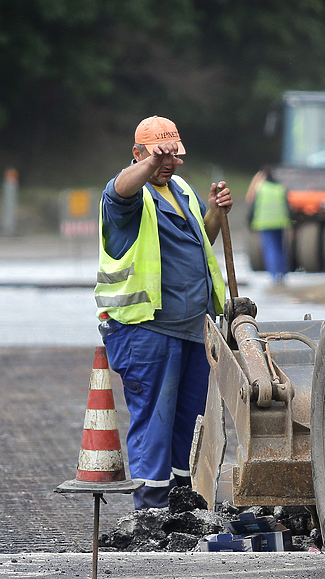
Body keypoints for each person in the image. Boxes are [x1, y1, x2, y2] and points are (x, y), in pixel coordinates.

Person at [95, 115, 232, 510]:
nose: (168, 164)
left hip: (191, 329)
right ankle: (150, 509)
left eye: (173, 156)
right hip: (148, 331)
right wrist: (150, 165)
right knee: (154, 423)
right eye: (158, 156)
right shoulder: (128, 195)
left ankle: (180, 505)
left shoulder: (181, 190)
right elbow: (119, 190)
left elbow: (200, 242)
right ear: (137, 154)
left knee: (187, 427)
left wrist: (215, 214)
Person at [249, 169, 291, 285]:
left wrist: (250, 223)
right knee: (280, 248)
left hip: (265, 223)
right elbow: (288, 207)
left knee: (270, 249)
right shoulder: (280, 188)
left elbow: (253, 206)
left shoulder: (260, 188)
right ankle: (283, 274)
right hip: (280, 222)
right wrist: (291, 222)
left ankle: (273, 276)